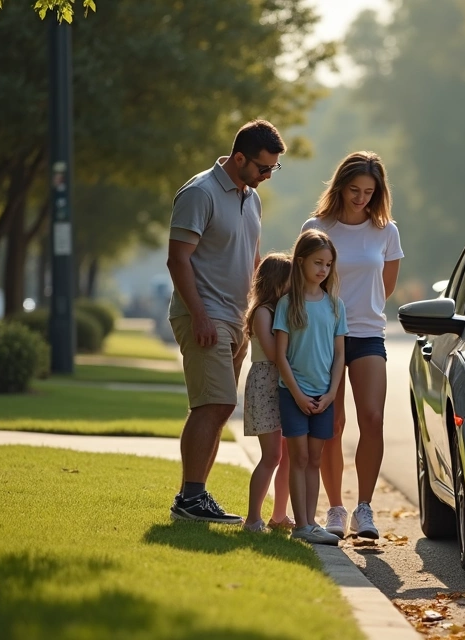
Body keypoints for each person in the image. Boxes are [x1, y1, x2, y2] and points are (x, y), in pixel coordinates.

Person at [166, 119, 285, 523]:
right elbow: (177, 258)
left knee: (217, 407)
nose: (267, 176)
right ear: (239, 158)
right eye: (262, 167)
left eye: (273, 169)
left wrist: (256, 311)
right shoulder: (200, 193)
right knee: (213, 404)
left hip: (235, 317)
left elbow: (250, 259)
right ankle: (190, 498)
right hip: (204, 315)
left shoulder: (250, 198)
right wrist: (199, 315)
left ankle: (195, 496)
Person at [301, 151, 402, 540]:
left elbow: (386, 287)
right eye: (355, 190)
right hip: (323, 336)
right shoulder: (318, 226)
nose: (361, 198)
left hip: (367, 333)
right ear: (340, 187)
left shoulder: (386, 231)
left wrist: (363, 308)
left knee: (372, 418)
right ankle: (336, 510)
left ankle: (364, 509)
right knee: (332, 423)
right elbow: (308, 278)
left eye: (369, 192)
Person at [273, 229, 348, 545]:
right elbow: (280, 355)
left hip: (324, 396)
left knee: (315, 460)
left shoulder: (335, 305)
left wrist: (331, 393)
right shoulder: (288, 304)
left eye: (329, 264)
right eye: (318, 262)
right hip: (293, 394)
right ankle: (301, 524)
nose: (323, 270)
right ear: (300, 261)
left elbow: (340, 354)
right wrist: (299, 395)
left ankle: (310, 522)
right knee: (299, 458)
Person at [241, 252, 295, 532]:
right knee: (271, 455)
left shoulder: (281, 311)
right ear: (275, 282)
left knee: (285, 455)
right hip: (266, 383)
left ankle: (279, 515)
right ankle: (252, 518)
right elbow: (274, 353)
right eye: (288, 282)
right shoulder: (262, 312)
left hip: (282, 383)